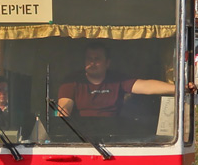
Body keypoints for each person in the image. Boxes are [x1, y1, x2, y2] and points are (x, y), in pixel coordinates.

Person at [57, 40, 189, 118]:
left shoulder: (117, 79)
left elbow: (146, 86)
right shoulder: (72, 81)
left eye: (97, 59)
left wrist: (179, 88)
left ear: (107, 63)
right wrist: (63, 116)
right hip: (81, 135)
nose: (92, 63)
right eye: (89, 59)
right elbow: (65, 105)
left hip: (116, 134)